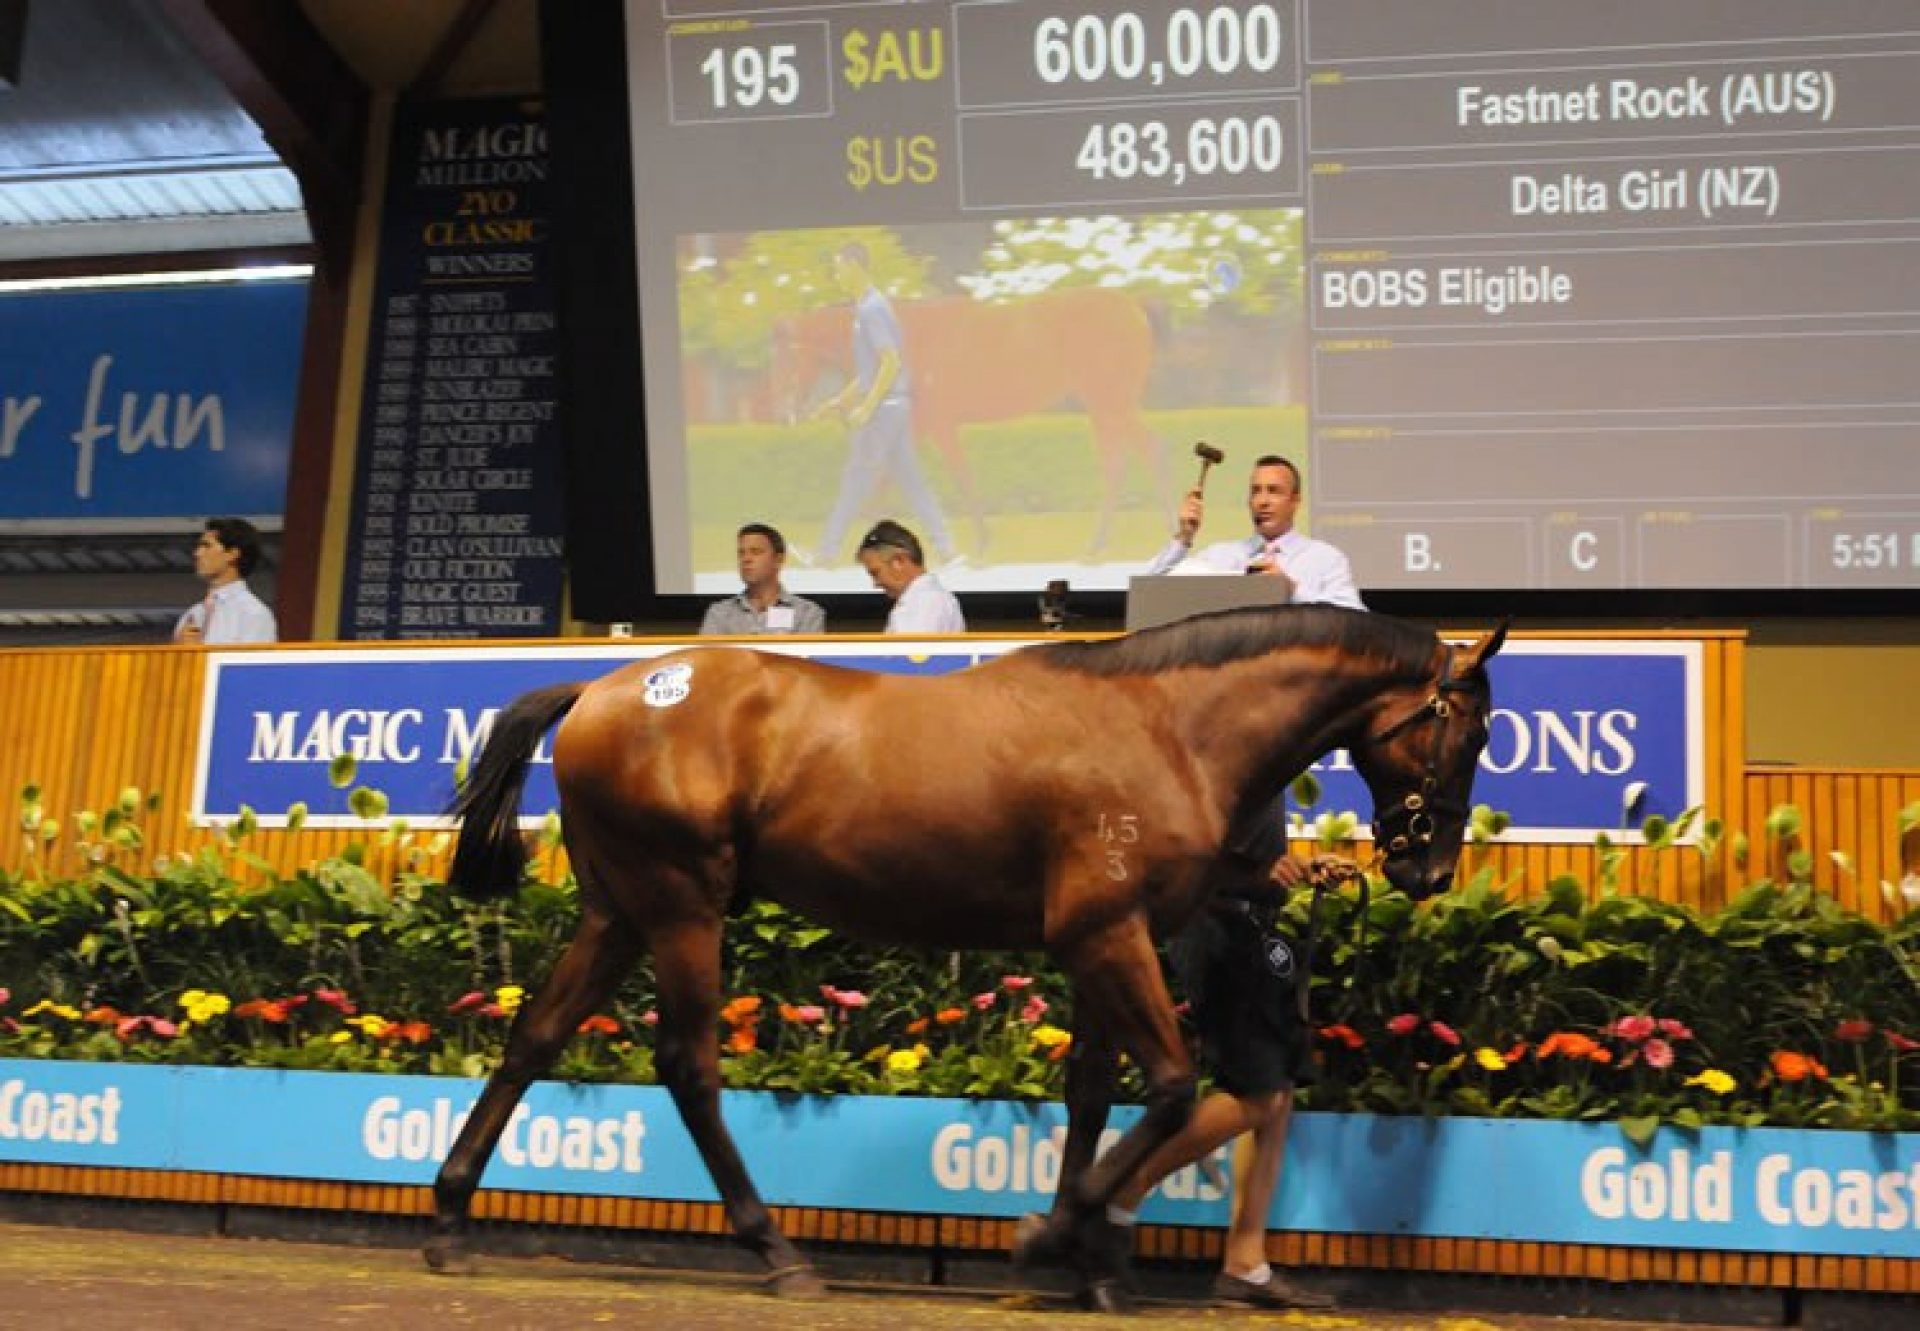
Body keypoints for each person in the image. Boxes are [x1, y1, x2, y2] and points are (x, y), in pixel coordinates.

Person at [809, 242, 958, 568]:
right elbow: (869, 372)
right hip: (892, 406)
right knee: (912, 479)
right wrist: (838, 402)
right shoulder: (867, 308)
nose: (836, 275)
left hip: (885, 408)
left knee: (856, 477)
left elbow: (891, 362)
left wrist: (867, 407)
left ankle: (826, 552)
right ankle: (947, 548)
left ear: (855, 266)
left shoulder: (872, 310)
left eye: (839, 268)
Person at [1146, 455, 1364, 610]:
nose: (1263, 501)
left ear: (1295, 501)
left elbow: (1355, 620)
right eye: (1255, 491)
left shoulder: (1325, 558)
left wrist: (1291, 590)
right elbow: (1148, 590)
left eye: (1274, 491)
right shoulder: (1220, 556)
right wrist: (1184, 536)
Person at [699, 523, 826, 636]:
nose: (746, 559)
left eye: (756, 552)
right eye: (741, 553)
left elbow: (802, 661)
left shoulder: (807, 613)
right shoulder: (719, 614)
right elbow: (709, 660)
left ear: (778, 559)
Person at [173, 517, 277, 645]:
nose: (197, 553)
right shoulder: (193, 613)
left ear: (232, 554)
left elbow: (249, 664)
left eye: (207, 546)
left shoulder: (253, 614)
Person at [857, 519, 964, 634]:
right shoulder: (924, 600)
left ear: (899, 560)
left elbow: (913, 651)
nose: (876, 583)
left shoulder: (925, 602)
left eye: (876, 573)